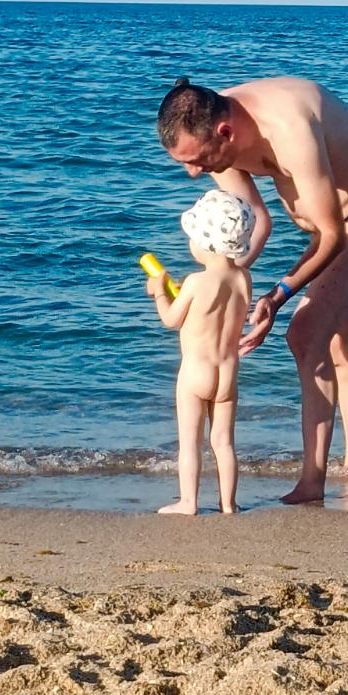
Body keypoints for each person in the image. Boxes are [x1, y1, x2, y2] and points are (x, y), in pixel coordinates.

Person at [156, 76, 348, 504]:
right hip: (328, 229)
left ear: (224, 132)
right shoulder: (219, 135)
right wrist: (222, 283)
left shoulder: (288, 127)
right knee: (344, 344)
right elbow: (258, 221)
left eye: (197, 161)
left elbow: (331, 235)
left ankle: (313, 483)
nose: (193, 173)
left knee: (305, 332)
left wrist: (277, 296)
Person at [146, 189, 254, 515]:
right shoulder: (244, 279)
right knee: (224, 443)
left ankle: (188, 502)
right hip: (227, 373)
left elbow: (171, 320)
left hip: (196, 372)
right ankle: (228, 504)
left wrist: (159, 292)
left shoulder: (195, 282)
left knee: (190, 443)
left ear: (206, 242)